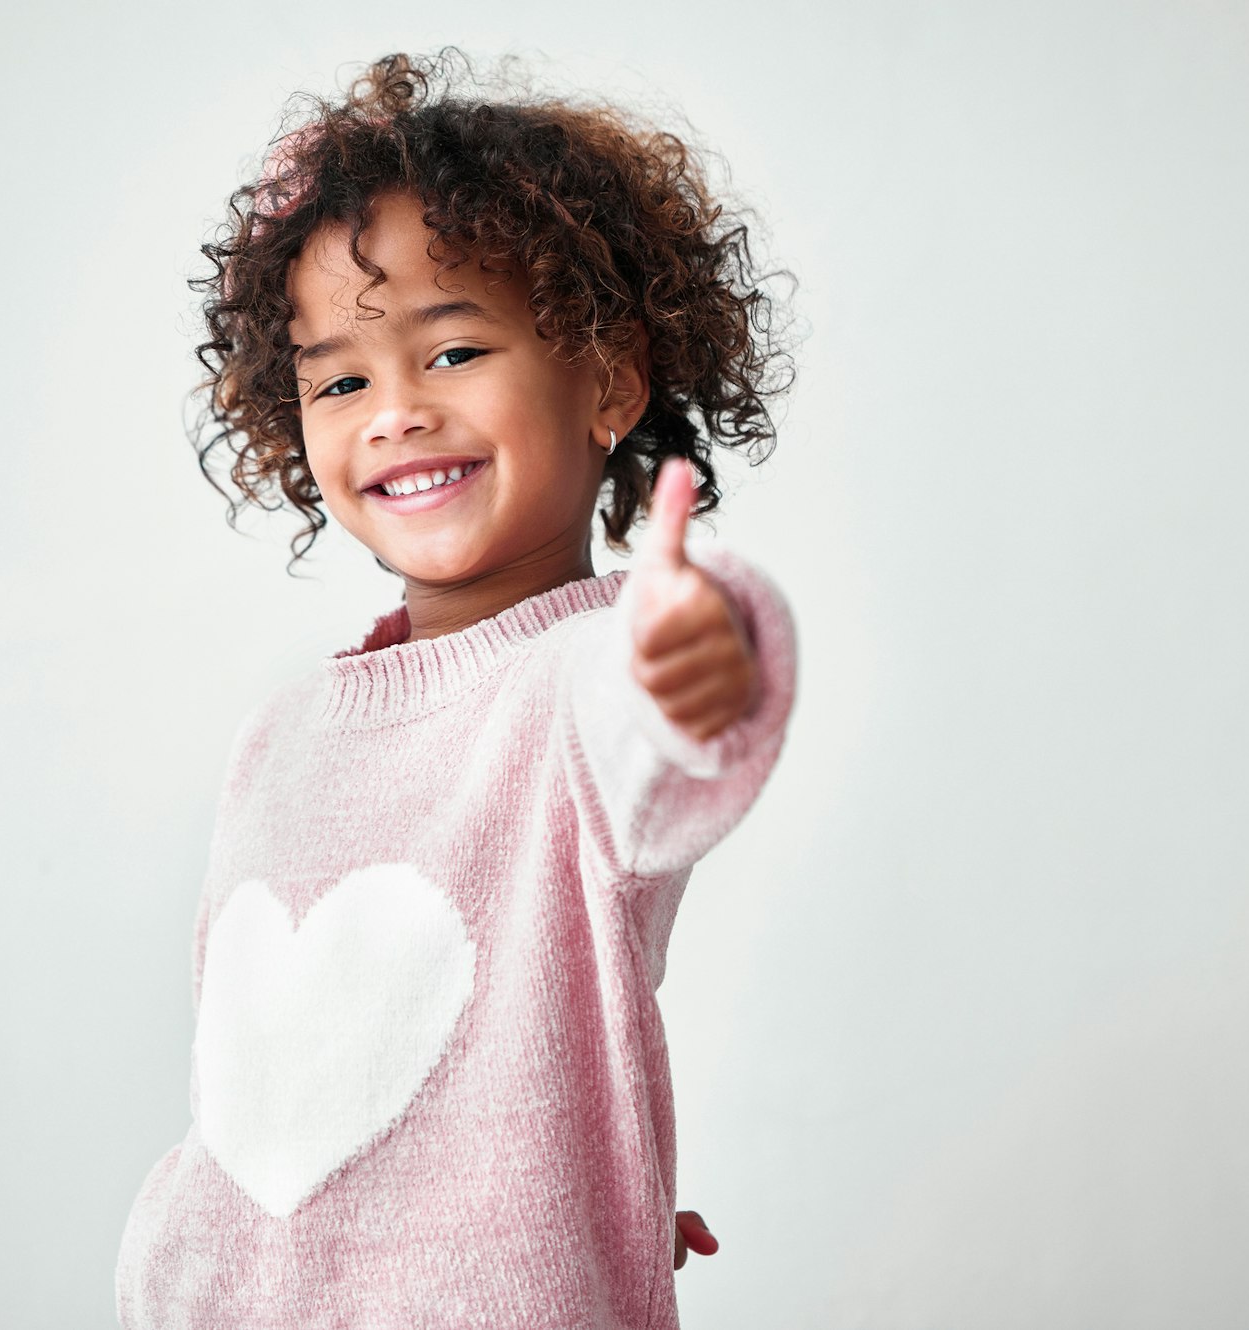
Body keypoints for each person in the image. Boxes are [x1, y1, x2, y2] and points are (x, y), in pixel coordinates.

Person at [114, 48, 797, 1329]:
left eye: (456, 349)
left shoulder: (585, 692)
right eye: (341, 379)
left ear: (606, 377)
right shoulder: (285, 728)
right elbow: (270, 1079)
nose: (395, 413)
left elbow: (666, 721)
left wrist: (700, 646)